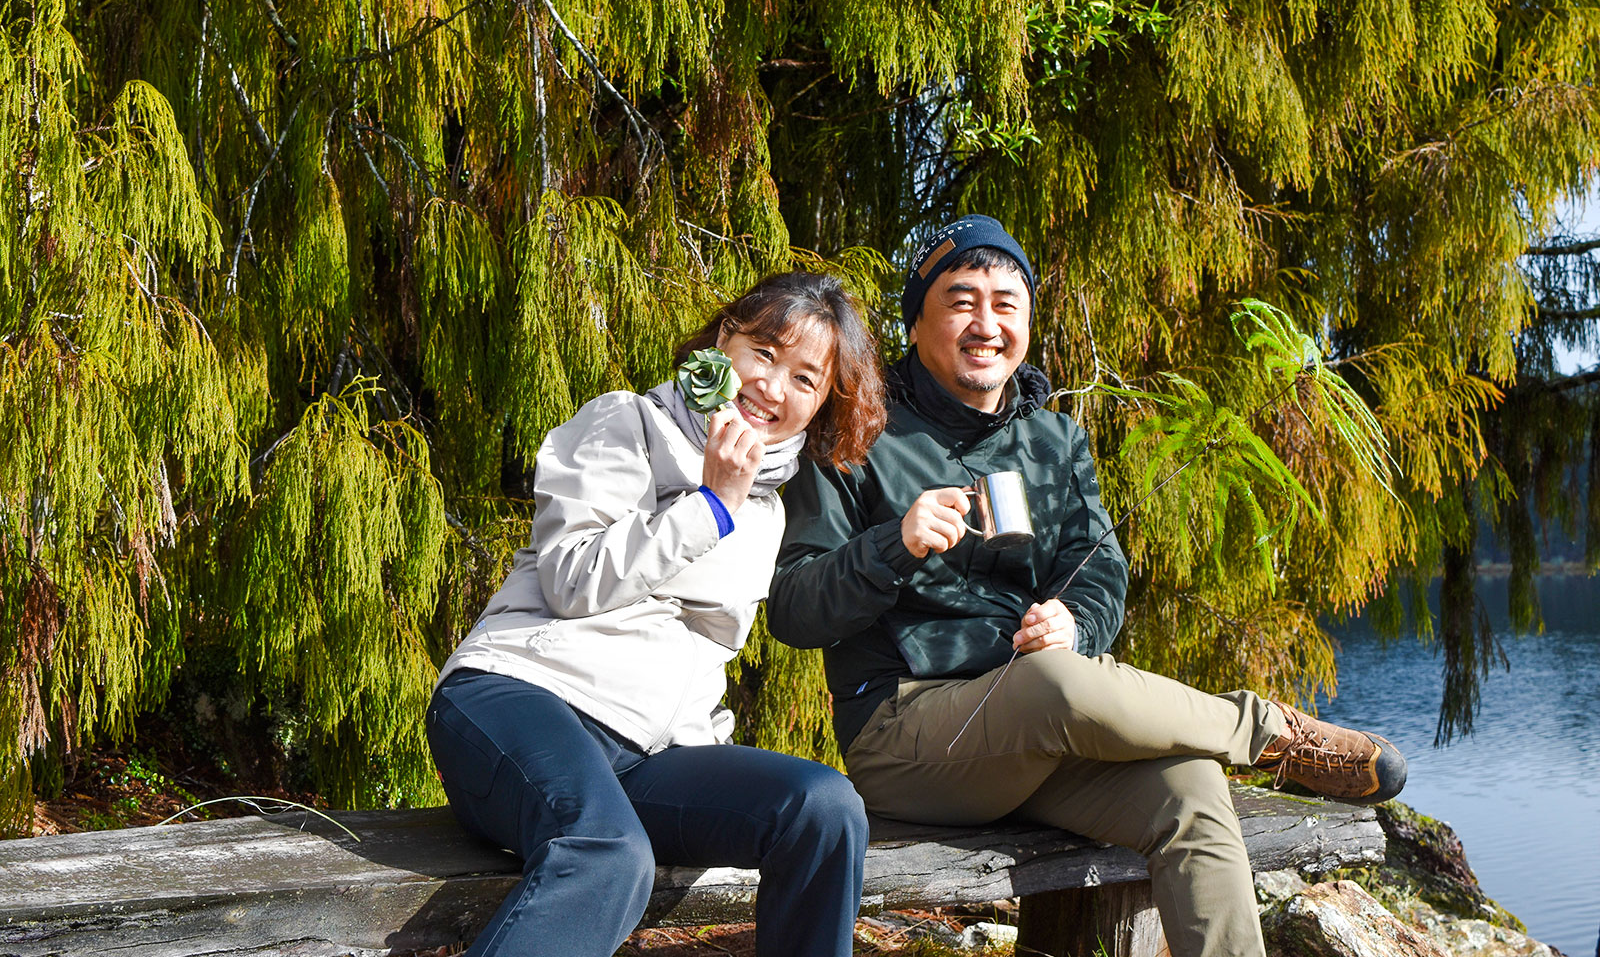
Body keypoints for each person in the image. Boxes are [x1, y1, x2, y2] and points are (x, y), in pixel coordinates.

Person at [767, 215, 1408, 957]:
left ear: (1028, 325)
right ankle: (1269, 733)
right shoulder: (856, 434)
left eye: (1007, 304)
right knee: (1058, 687)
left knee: (1191, 789)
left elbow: (1100, 569)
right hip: (904, 738)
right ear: (916, 322)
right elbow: (793, 608)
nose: (986, 323)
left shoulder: (1055, 441)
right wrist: (893, 544)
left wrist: (1075, 624)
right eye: (961, 300)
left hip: (1033, 744)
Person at [427, 271, 888, 957]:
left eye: (803, 378)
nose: (771, 386)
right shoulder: (629, 420)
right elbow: (572, 580)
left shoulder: (767, 510)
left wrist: (717, 772)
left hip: (642, 757)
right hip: (518, 698)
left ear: (821, 404)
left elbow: (703, 649)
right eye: (763, 353)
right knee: (607, 853)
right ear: (723, 340)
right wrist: (709, 506)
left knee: (824, 808)